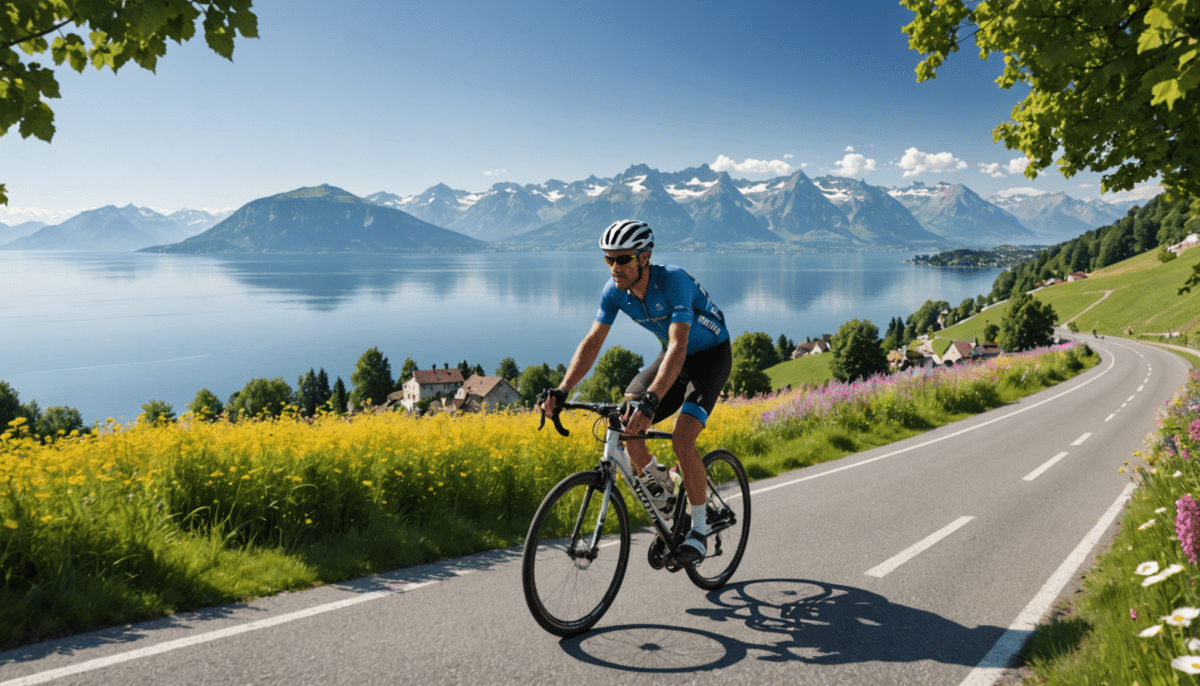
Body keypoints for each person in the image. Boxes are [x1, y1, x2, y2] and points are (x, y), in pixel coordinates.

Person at [541, 219, 732, 566]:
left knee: (683, 438)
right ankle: (668, 494)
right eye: (608, 259)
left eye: (623, 258)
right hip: (673, 358)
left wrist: (654, 397)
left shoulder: (673, 282)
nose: (615, 267)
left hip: (709, 358)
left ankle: (700, 530)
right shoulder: (614, 291)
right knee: (628, 423)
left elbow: (677, 345)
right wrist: (563, 387)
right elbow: (593, 341)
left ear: (644, 258)